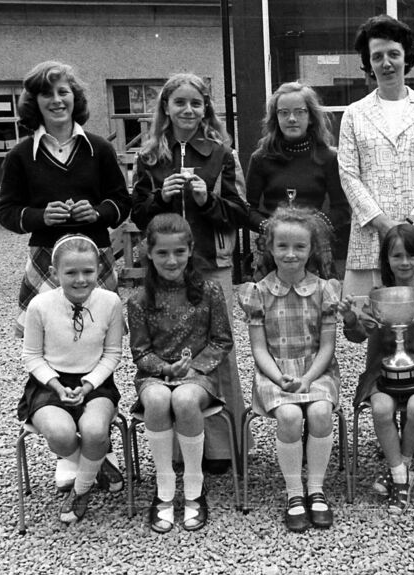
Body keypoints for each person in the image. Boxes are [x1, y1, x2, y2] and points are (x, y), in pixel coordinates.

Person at [0, 60, 130, 492]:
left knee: (95, 339)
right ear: (34, 103)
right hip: (45, 260)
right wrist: (39, 215)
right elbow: (5, 211)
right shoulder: (20, 154)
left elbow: (121, 203)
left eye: (64, 93)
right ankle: (74, 452)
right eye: (47, 94)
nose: (56, 101)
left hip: (95, 259)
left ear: (75, 99)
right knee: (51, 341)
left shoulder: (97, 148)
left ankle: (94, 430)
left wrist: (100, 212)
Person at [131, 72, 249, 473]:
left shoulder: (221, 154)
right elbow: (137, 214)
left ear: (206, 110)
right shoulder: (148, 158)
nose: (188, 110)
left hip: (210, 267)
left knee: (216, 353)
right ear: (166, 107)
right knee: (167, 350)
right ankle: (179, 452)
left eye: (196, 103)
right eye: (179, 102)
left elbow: (237, 213)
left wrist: (205, 199)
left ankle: (222, 448)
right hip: (164, 271)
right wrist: (159, 198)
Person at [337, 224, 414, 515]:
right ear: (386, 260)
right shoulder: (377, 294)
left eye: (412, 255)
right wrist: (351, 319)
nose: (405, 262)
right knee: (381, 409)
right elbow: (357, 337)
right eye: (397, 256)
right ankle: (401, 474)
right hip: (382, 369)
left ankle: (400, 469)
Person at [127, 214, 234, 533]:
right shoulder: (139, 300)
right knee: (159, 400)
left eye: (178, 252)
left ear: (190, 251)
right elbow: (140, 352)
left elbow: (222, 340)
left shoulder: (210, 290)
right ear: (149, 253)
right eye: (162, 253)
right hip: (154, 375)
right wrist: (163, 368)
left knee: (186, 399)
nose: (171, 260)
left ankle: (193, 485)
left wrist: (193, 367)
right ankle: (163, 488)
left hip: (198, 375)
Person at [238, 206, 341, 532]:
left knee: (322, 412)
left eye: (299, 247)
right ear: (270, 248)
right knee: (290, 416)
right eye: (283, 246)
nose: (291, 254)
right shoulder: (258, 293)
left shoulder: (325, 290)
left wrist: (309, 378)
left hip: (317, 370)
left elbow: (327, 347)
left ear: (311, 249)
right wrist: (279, 376)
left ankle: (316, 489)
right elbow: (258, 349)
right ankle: (295, 493)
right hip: (274, 371)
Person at [338, 14, 414, 297]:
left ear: (406, 58)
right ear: (368, 63)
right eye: (377, 56)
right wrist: (383, 224)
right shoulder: (354, 114)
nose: (386, 63)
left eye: (393, 54)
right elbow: (348, 174)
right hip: (370, 235)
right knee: (370, 322)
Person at [19, 235, 123, 524]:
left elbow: (113, 353)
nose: (80, 279)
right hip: (49, 382)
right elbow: (31, 357)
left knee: (94, 430)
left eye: (88, 272)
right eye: (71, 272)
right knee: (61, 434)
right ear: (54, 274)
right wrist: (56, 385)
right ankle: (96, 463)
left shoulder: (111, 302)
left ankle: (81, 489)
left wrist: (88, 384)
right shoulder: (39, 305)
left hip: (96, 381)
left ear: (98, 270)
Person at [246, 81, 350, 280]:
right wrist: (270, 227)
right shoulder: (261, 158)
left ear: (310, 117)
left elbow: (343, 209)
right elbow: (247, 210)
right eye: (283, 112)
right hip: (272, 248)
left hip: (314, 247)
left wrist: (313, 227)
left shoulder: (328, 158)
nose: (291, 119)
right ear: (275, 117)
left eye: (299, 112)